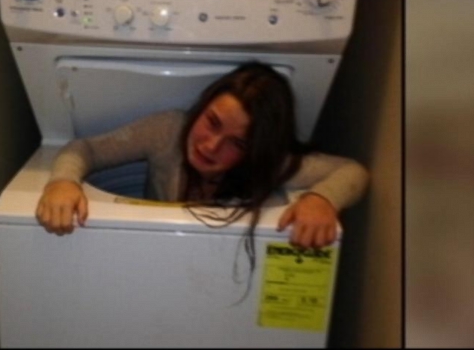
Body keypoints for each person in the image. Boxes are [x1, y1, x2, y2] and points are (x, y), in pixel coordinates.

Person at [36, 61, 369, 252]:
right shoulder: (167, 130)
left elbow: (353, 172)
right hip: (154, 250)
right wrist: (63, 181)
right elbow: (87, 148)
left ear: (254, 151)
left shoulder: (268, 164)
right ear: (203, 106)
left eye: (236, 143)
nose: (211, 146)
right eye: (212, 122)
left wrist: (321, 199)